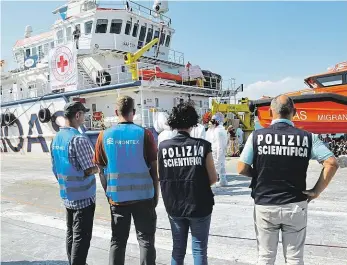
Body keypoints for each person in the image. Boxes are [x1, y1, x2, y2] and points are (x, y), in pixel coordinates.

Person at [237, 95, 339, 265]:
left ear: (270, 112)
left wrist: (259, 173)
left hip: (265, 203)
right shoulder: (308, 137)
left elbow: (241, 168)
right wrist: (316, 191)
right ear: (295, 112)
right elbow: (332, 163)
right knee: (294, 258)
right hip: (295, 204)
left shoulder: (256, 136)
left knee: (265, 257)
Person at [93, 96, 158, 265]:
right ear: (134, 113)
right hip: (144, 197)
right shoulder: (145, 134)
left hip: (118, 200)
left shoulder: (103, 136)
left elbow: (101, 170)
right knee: (146, 241)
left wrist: (109, 193)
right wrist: (156, 195)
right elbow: (154, 169)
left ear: (116, 112)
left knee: (118, 241)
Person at [158, 102, 218, 265]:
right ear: (193, 122)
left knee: (178, 249)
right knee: (199, 249)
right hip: (199, 204)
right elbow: (213, 178)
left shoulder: (163, 147)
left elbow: (161, 175)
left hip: (174, 204)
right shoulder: (203, 146)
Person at [51, 101, 98, 265]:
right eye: (83, 114)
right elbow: (89, 169)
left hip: (67, 196)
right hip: (83, 198)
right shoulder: (78, 139)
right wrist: (99, 167)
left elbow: (55, 169)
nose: (84, 117)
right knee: (82, 238)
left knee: (71, 233)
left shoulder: (56, 139)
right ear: (77, 115)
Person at [210, 112, 228, 187]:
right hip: (220, 151)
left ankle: (214, 182)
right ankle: (223, 181)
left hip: (217, 152)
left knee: (217, 166)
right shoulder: (221, 129)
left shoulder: (218, 131)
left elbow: (219, 144)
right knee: (222, 166)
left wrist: (218, 156)